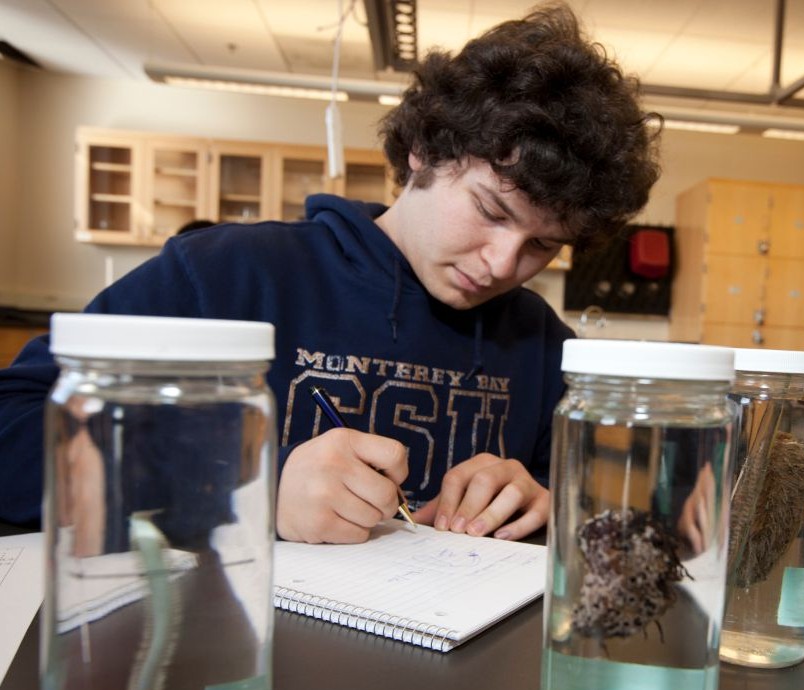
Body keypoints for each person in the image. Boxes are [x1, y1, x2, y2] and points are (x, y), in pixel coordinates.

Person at [0, 3, 661, 542]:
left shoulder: (543, 346)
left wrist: (539, 502)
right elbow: (15, 427)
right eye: (489, 210)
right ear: (424, 151)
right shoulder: (228, 276)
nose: (502, 264)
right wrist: (239, 487)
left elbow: (626, 508)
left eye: (542, 246)